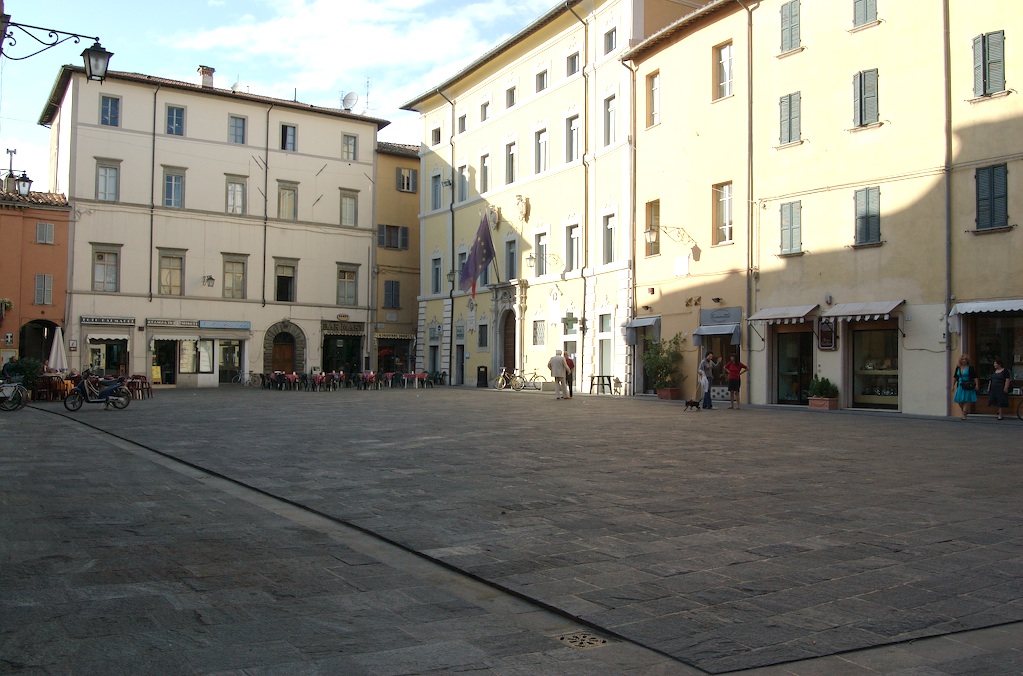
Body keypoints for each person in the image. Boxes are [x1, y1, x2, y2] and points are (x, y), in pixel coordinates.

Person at [952, 354, 979, 420]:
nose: (964, 361)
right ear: (960, 360)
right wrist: (953, 385)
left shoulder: (970, 368)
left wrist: (977, 385)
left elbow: (975, 377)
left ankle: (964, 414)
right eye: (963, 359)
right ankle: (963, 411)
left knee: (966, 400)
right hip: (960, 385)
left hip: (968, 385)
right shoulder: (958, 368)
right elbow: (955, 377)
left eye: (965, 359)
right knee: (959, 400)